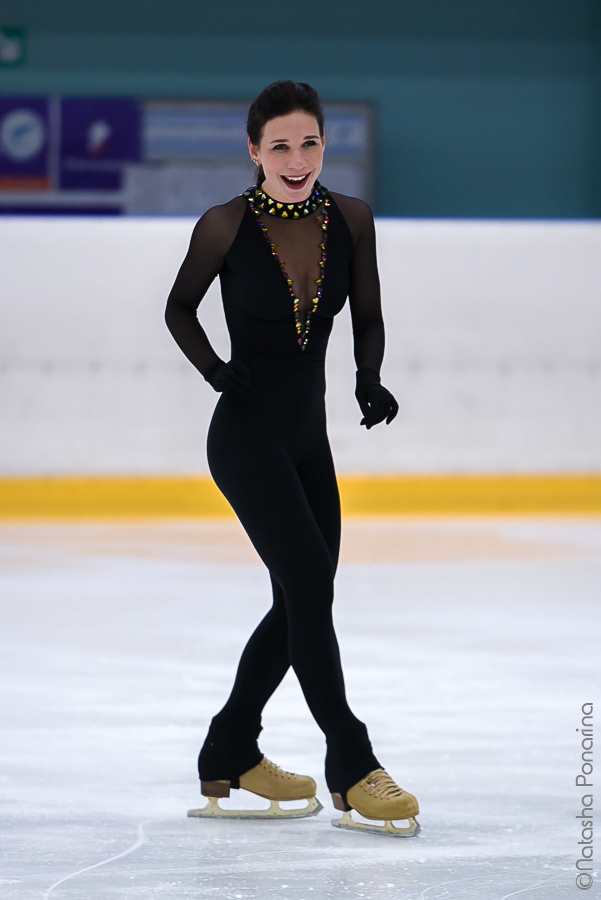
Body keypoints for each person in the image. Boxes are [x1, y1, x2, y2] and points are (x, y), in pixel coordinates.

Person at [165, 80, 419, 836]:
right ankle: (351, 760)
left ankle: (229, 747)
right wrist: (214, 371)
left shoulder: (351, 220)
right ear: (253, 152)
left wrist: (367, 377)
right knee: (308, 583)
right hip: (244, 439)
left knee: (303, 597)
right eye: (280, 145)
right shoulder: (223, 226)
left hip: (309, 439)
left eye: (308, 142)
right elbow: (178, 306)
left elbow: (367, 314)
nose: (297, 158)